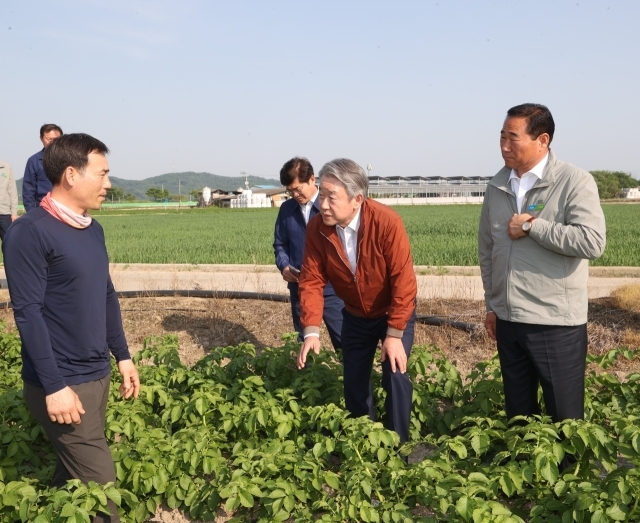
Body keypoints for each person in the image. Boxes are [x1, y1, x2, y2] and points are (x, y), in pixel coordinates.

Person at [3, 133, 139, 523]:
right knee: (102, 490)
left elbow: (106, 296)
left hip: (96, 376)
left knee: (71, 481)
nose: (109, 184)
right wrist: (54, 386)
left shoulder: (90, 229)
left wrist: (124, 357)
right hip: (64, 382)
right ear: (71, 175)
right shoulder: (29, 232)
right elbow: (27, 314)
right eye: (103, 174)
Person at [478, 103, 606, 426]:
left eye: (514, 138)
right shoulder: (497, 186)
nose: (505, 146)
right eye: (502, 137)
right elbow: (487, 248)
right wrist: (492, 305)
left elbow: (592, 241)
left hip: (555, 323)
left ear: (542, 140)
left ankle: (570, 477)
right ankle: (525, 474)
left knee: (564, 419)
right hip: (509, 320)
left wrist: (534, 227)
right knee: (519, 417)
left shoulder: (573, 182)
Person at [297, 158, 417, 444]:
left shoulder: (386, 222)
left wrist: (394, 333)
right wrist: (311, 329)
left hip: (392, 312)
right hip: (355, 315)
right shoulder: (317, 228)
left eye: (331, 197)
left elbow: (404, 281)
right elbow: (311, 280)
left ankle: (400, 446)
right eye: (321, 195)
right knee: (353, 380)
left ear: (357, 199)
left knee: (395, 374)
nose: (323, 204)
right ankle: (366, 440)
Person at [273, 157, 343, 349]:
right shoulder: (287, 210)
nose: (295, 194)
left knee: (345, 343)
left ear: (312, 179)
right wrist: (284, 265)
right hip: (300, 287)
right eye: (290, 191)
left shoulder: (331, 205)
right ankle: (308, 378)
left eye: (298, 189)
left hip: (334, 290)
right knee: (304, 344)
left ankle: (350, 378)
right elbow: (280, 244)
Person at [22, 123, 63, 212]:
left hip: (65, 208)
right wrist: (32, 213)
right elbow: (28, 190)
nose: (52, 142)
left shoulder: (69, 160)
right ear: (41, 139)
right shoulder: (34, 161)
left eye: (56, 139)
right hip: (43, 209)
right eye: (49, 139)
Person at [0, 158, 18, 241]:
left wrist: (14, 213)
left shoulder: (6, 168)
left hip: (5, 212)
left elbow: (12, 191)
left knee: (8, 242)